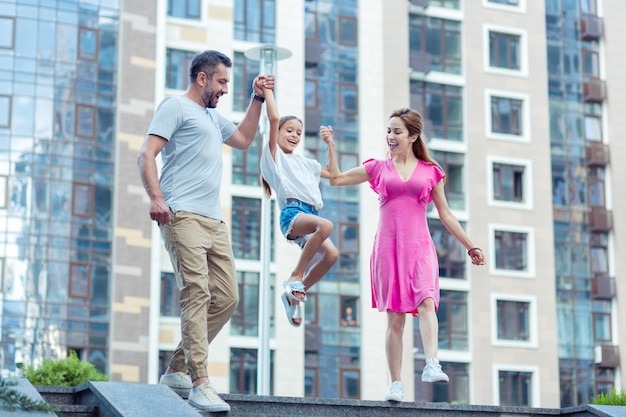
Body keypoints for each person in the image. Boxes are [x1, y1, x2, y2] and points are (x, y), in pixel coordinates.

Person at [137, 50, 274, 413]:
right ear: (202, 79)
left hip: (214, 221)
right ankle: (200, 382)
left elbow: (244, 139)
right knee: (196, 291)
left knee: (227, 298)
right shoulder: (175, 107)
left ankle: (178, 368)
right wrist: (156, 197)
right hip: (182, 215)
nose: (225, 88)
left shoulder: (212, 117)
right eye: (222, 82)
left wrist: (257, 98)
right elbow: (146, 154)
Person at [329, 108, 486, 402]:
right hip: (388, 249)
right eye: (388, 131)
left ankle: (431, 363)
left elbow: (446, 214)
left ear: (413, 136)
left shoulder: (431, 172)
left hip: (420, 247)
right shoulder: (377, 168)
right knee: (396, 321)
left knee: (427, 301)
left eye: (397, 131)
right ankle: (396, 383)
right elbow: (336, 179)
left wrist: (470, 245)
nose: (390, 136)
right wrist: (330, 147)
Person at [258, 79, 339, 327]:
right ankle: (296, 276)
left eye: (298, 133)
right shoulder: (274, 157)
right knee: (325, 226)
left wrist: (330, 144)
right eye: (289, 130)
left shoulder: (306, 163)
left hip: (310, 213)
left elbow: (333, 174)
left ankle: (294, 293)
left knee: (332, 255)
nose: (294, 135)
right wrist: (268, 91)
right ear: (279, 133)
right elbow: (273, 119)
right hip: (293, 213)